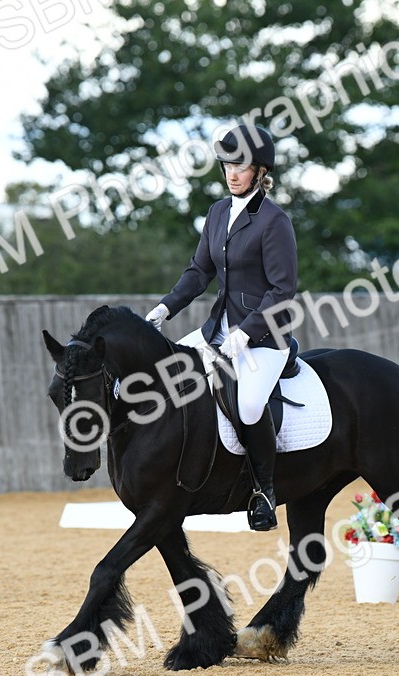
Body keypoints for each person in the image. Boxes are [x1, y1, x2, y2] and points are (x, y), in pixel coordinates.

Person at [144, 124, 297, 531]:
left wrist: (247, 331)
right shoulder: (216, 213)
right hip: (218, 329)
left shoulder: (273, 220)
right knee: (167, 374)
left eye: (241, 165)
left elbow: (283, 289)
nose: (232, 172)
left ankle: (264, 491)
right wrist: (165, 307)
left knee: (248, 405)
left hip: (264, 337)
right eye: (228, 163)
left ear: (260, 171)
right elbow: (199, 272)